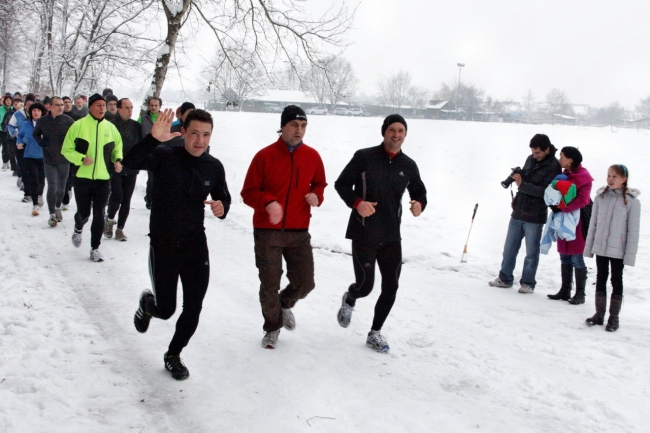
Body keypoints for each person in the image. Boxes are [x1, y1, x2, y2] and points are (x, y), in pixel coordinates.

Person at [126, 109, 231, 380]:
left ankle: (173, 354)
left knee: (194, 307)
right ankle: (149, 304)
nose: (200, 140)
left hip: (196, 245)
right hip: (163, 245)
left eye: (206, 134)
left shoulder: (214, 166)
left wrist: (222, 207)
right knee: (167, 309)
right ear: (182, 132)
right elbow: (129, 162)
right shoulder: (164, 155)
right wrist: (152, 139)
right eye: (194, 133)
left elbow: (223, 199)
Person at [334, 114, 427, 353]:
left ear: (405, 135)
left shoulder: (408, 165)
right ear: (384, 131)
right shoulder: (364, 157)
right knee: (365, 286)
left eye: (401, 131)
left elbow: (419, 192)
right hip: (364, 233)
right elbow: (341, 184)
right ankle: (350, 298)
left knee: (391, 287)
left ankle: (375, 332)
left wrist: (419, 205)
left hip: (391, 236)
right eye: (392, 130)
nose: (396, 135)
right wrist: (357, 202)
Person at [241, 105, 327, 349]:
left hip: (299, 230)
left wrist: (316, 195)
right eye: (294, 125)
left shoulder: (312, 156)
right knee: (270, 283)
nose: (299, 130)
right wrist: (267, 203)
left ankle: (285, 303)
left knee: (305, 281)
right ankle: (272, 327)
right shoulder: (264, 156)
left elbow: (320, 183)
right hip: (268, 231)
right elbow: (248, 192)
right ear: (283, 126)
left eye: (303, 126)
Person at [488, 134, 562, 293]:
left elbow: (546, 192)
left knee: (531, 252)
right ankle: (505, 278)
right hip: (518, 211)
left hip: (535, 215)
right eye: (533, 152)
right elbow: (527, 180)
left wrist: (522, 185)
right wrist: (518, 176)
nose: (535, 156)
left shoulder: (554, 166)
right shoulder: (530, 159)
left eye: (538, 153)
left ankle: (528, 283)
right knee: (509, 249)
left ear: (547, 149)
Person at [61, 94, 123, 262]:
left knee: (99, 213)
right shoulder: (78, 126)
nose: (102, 108)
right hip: (82, 177)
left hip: (103, 179)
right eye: (98, 105)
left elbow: (118, 147)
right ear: (90, 107)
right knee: (84, 212)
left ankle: (95, 248)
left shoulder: (111, 128)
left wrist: (117, 160)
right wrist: (81, 158)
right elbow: (66, 149)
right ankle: (78, 226)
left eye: (103, 105)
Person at [583, 165, 640, 332]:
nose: (610, 179)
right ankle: (599, 313)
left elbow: (633, 231)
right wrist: (590, 247)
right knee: (600, 277)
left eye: (615, 176)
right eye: (609, 175)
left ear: (624, 179)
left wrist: (629, 255)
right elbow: (593, 224)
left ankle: (614, 317)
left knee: (616, 280)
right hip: (601, 247)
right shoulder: (601, 197)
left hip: (618, 250)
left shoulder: (631, 202)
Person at [546, 147, 593, 304]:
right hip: (563, 219)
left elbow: (582, 200)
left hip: (577, 223)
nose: (560, 159)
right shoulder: (565, 175)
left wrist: (561, 207)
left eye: (562, 157)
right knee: (564, 256)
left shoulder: (583, 177)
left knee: (576, 257)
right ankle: (565, 290)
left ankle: (580, 294)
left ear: (570, 160)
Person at [33, 96, 75, 227]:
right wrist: (41, 142)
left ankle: (57, 208)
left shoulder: (68, 121)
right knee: (52, 186)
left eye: (62, 104)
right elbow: (35, 134)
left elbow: (76, 137)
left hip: (64, 159)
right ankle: (51, 214)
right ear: (50, 106)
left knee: (61, 188)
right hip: (49, 158)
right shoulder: (43, 121)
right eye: (57, 105)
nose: (61, 107)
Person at [105, 98, 143, 241]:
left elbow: (141, 146)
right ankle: (109, 221)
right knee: (117, 196)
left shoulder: (136, 126)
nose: (130, 111)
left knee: (127, 199)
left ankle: (120, 229)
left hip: (131, 167)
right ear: (119, 109)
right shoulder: (110, 125)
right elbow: (107, 147)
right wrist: (114, 161)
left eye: (131, 107)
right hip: (115, 167)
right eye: (126, 108)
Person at [17, 103, 46, 215]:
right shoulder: (26, 124)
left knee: (41, 179)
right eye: (34, 110)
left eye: (38, 110)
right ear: (30, 112)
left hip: (43, 155)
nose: (36, 112)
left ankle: (40, 195)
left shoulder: (46, 124)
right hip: (29, 155)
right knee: (33, 178)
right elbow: (20, 135)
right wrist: (19, 142)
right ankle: (35, 204)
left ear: (42, 112)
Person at [139, 97, 162, 209]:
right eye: (152, 105)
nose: (153, 107)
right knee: (152, 177)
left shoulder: (165, 118)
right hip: (149, 152)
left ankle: (157, 198)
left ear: (159, 106)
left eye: (156, 105)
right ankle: (149, 200)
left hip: (162, 152)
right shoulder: (143, 119)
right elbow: (137, 133)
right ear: (149, 106)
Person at [0, 95, 15, 171]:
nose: (8, 101)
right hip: (2, 131)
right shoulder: (1, 109)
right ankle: (5, 162)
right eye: (7, 100)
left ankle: (12, 162)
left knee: (10, 147)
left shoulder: (13, 110)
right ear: (4, 101)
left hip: (11, 131)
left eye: (10, 100)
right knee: (5, 147)